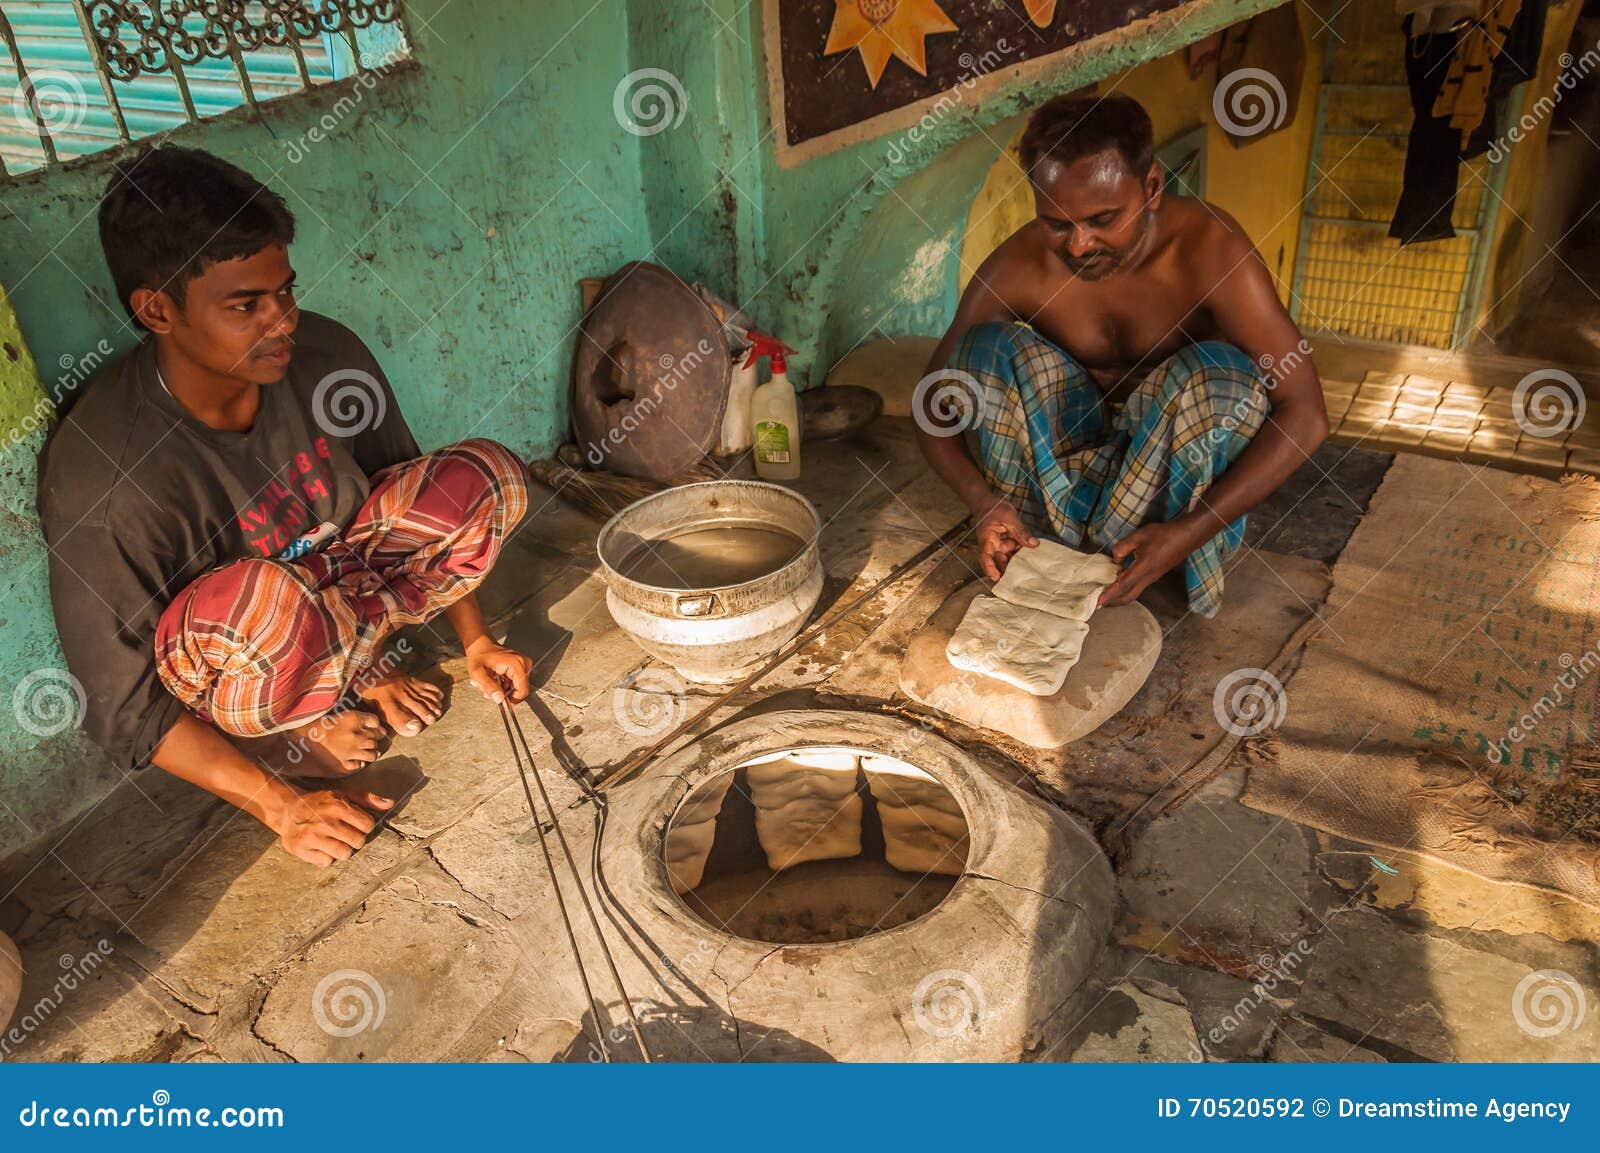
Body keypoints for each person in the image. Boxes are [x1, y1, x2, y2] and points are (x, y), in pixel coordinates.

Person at [38, 147, 536, 867]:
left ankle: (367, 668)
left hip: (335, 593)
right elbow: (128, 712)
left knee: (481, 475)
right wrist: (281, 800)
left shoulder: (326, 355)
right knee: (269, 604)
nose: (283, 322)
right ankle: (294, 734)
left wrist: (476, 640)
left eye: (285, 292)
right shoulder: (107, 478)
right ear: (157, 310)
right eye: (246, 305)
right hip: (239, 651)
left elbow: (413, 495)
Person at [917, 94, 1329, 617]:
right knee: (983, 352)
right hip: (1059, 484)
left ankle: (1165, 560)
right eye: (1057, 223)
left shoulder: (1211, 250)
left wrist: (1190, 530)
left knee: (1225, 381)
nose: (1079, 245)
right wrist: (980, 502)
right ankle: (1035, 550)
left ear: (1152, 187)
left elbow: (1307, 414)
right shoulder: (1018, 265)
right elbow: (932, 402)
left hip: (1165, 491)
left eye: (1103, 218)